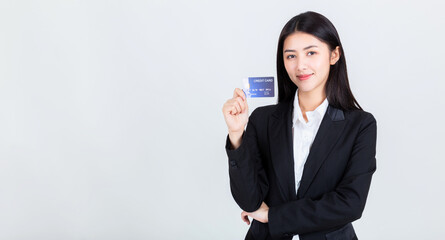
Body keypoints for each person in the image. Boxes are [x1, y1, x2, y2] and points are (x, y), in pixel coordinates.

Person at [222, 11, 377, 240]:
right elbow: (249, 201)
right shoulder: (262, 119)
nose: (300, 65)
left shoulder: (360, 125)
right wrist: (236, 135)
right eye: (291, 56)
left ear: (334, 55)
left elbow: (350, 204)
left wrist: (273, 216)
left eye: (311, 53)